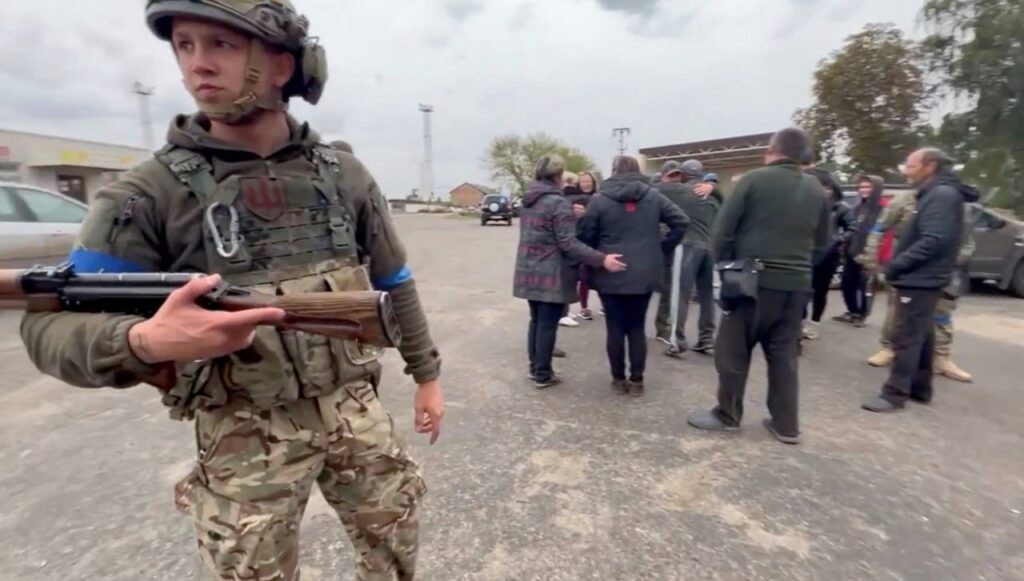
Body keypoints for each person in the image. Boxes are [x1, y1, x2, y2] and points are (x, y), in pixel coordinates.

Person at [18, 2, 445, 579]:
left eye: (221, 44)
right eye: (184, 45)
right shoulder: (146, 195)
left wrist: (427, 377)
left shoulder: (344, 176)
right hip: (243, 431)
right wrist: (144, 340)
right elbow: (50, 326)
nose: (197, 64)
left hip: (354, 409)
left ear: (282, 66)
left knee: (395, 542)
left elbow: (394, 284)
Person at [687, 127, 831, 444]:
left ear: (770, 151)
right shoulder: (816, 189)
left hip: (752, 282)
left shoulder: (753, 180)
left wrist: (726, 268)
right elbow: (822, 242)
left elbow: (722, 232)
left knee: (732, 351)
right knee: (783, 355)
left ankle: (728, 414)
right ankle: (786, 424)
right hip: (796, 286)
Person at [861, 148, 974, 413]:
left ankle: (894, 393)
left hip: (920, 277)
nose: (906, 171)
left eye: (911, 166)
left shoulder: (941, 195)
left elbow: (933, 240)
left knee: (906, 336)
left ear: (930, 166)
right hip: (923, 276)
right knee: (922, 333)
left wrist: (896, 266)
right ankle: (920, 388)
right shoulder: (936, 193)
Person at [578, 156, 689, 396]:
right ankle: (637, 380)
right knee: (637, 326)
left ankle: (618, 379)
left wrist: (598, 256)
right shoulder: (653, 196)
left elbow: (585, 236)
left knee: (615, 326)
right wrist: (662, 248)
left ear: (614, 171)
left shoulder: (599, 200)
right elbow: (681, 222)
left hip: (610, 269)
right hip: (644, 270)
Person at [513, 155, 625, 389]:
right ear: (557, 175)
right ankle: (543, 374)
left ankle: (535, 368)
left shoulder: (528, 200)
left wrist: (569, 216)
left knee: (536, 320)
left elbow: (544, 230)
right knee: (547, 324)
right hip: (551, 272)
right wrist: (602, 259)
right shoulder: (558, 202)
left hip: (528, 269)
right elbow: (568, 243)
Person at [653, 159, 720, 354]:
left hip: (688, 245)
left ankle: (677, 340)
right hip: (710, 248)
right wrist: (714, 188)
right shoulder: (712, 198)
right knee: (707, 295)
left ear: (683, 175)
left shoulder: (676, 190)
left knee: (680, 294)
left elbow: (652, 188)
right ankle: (707, 338)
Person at [802, 168, 855, 340]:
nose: (824, 191)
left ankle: (814, 323)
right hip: (806, 252)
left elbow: (852, 227)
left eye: (826, 187)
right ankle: (800, 321)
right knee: (802, 290)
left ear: (831, 188)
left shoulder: (841, 208)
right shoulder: (806, 205)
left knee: (820, 291)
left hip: (828, 255)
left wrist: (838, 240)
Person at [834, 176, 884, 327]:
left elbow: (879, 233)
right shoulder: (857, 208)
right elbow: (853, 230)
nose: (863, 190)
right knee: (846, 284)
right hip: (852, 253)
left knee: (864, 287)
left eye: (868, 187)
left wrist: (870, 255)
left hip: (868, 255)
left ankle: (862, 315)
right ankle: (853, 311)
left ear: (875, 189)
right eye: (861, 187)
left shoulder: (881, 210)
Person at [567, 171, 600, 320]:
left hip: (596, 241)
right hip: (580, 241)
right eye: (583, 182)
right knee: (583, 277)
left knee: (601, 275)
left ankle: (605, 306)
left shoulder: (600, 198)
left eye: (588, 181)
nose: (586, 184)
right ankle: (584, 308)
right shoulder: (573, 201)